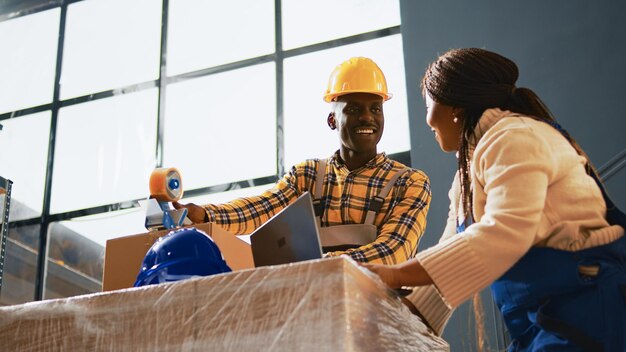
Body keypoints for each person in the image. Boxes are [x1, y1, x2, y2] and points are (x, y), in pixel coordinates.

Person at [363, 48, 625, 351]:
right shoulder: (469, 171)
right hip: (543, 319)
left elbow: (504, 232)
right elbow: (451, 251)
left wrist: (394, 274)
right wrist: (401, 317)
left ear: (453, 105)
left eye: (427, 104)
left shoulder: (513, 137)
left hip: (585, 307)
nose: (427, 120)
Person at [174, 57, 431, 264]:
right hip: (316, 301)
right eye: (353, 109)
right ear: (332, 120)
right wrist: (206, 215)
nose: (367, 118)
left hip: (373, 314)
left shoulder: (408, 183)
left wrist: (318, 264)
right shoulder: (307, 176)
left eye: (375, 109)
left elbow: (393, 252)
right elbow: (260, 210)